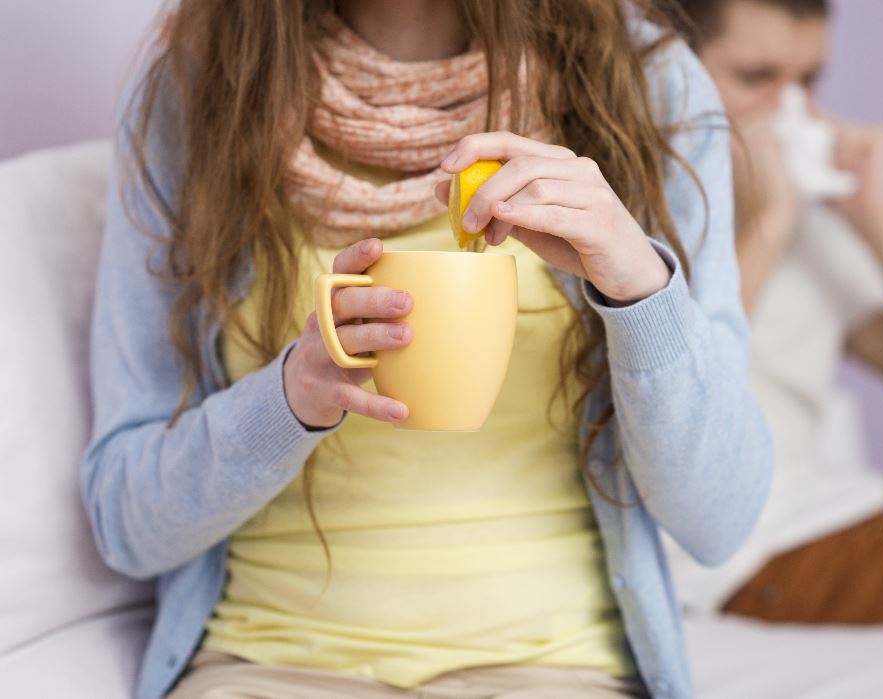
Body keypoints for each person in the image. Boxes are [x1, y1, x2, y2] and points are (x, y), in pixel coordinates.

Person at [81, 1, 771, 698]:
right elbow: (127, 524)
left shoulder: (648, 81)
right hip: (268, 667)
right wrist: (286, 400)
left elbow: (720, 521)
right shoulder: (199, 83)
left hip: (559, 671)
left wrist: (639, 288)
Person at [667, 0, 883, 623]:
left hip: (848, 516)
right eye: (756, 77)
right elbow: (678, 397)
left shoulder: (809, 230)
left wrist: (878, 218)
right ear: (667, 67)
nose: (789, 109)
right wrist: (767, 223)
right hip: (754, 550)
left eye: (807, 81)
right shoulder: (634, 219)